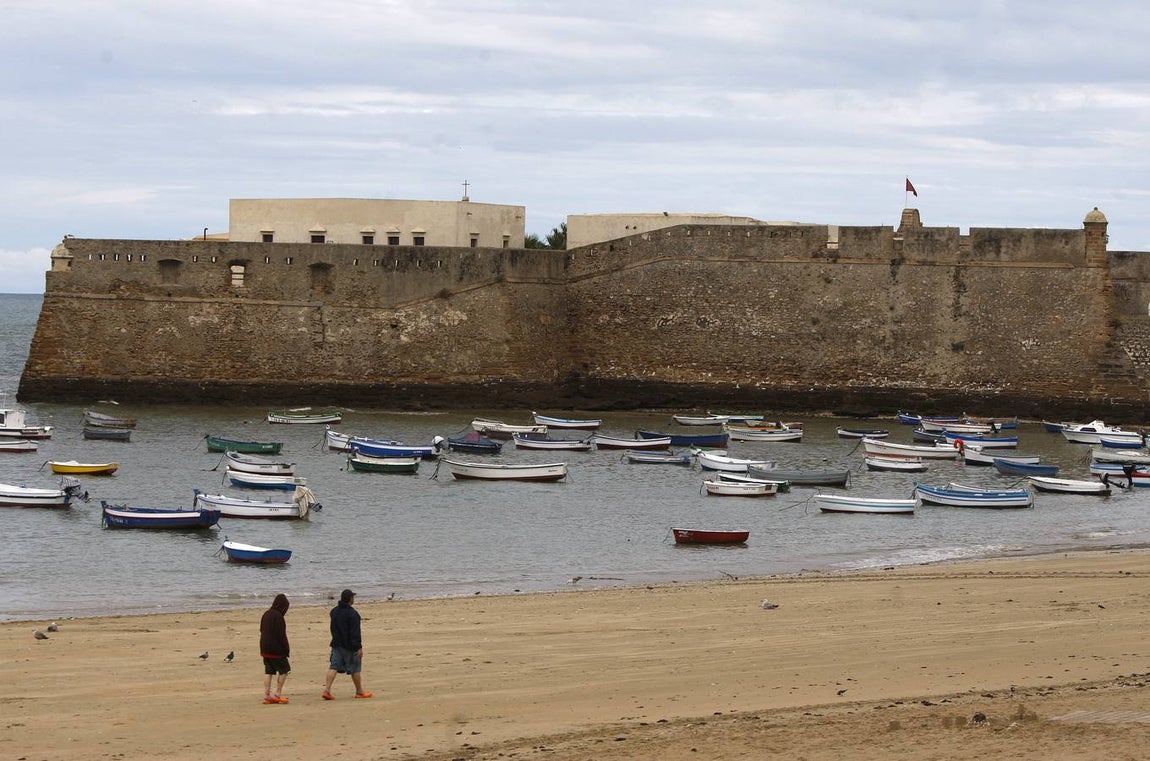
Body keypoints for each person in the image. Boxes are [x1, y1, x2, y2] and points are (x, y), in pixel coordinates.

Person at [322, 589, 372, 700]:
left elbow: (333, 628)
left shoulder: (334, 611)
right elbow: (355, 632)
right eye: (353, 597)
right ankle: (359, 691)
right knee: (355, 669)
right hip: (350, 646)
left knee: (333, 667)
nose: (354, 599)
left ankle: (327, 690)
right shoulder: (353, 614)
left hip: (336, 643)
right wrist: (358, 647)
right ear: (350, 599)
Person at [259, 593, 291, 704]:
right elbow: (281, 635)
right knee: (284, 670)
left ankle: (267, 695)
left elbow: (261, 629)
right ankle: (277, 694)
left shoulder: (266, 614)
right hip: (276, 649)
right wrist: (286, 649)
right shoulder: (278, 617)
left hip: (264, 647)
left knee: (269, 671)